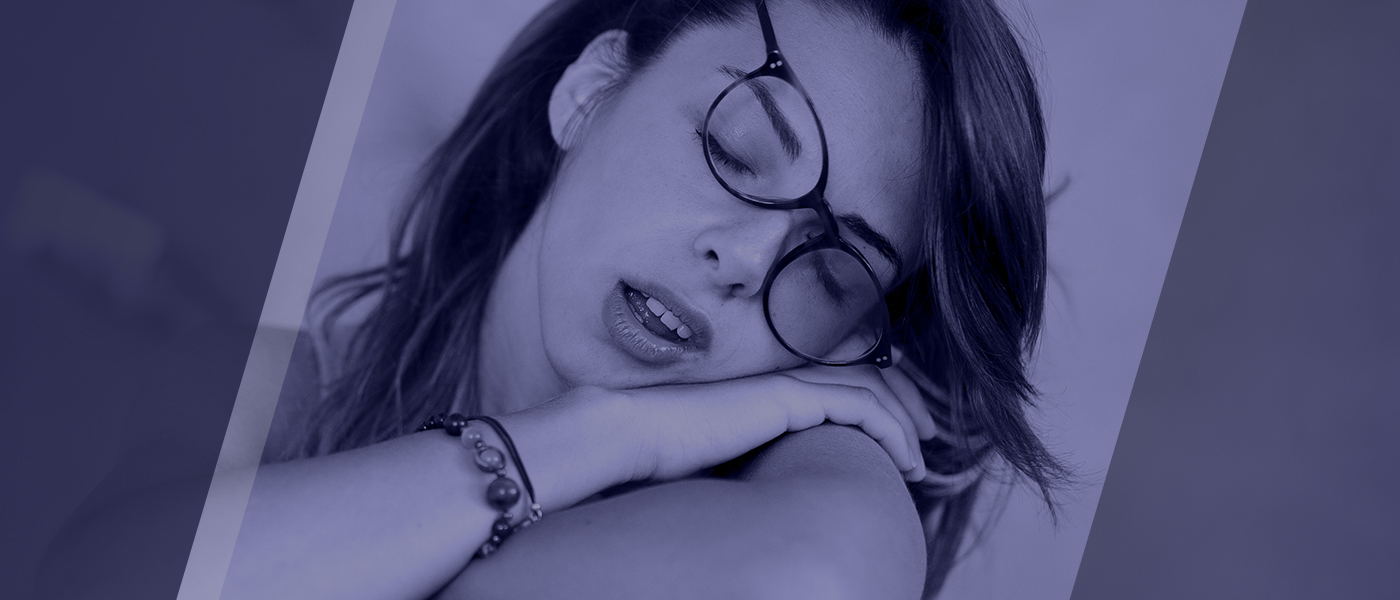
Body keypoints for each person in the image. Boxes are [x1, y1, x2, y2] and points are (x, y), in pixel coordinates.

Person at [232, 0, 1069, 598]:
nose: (747, 260)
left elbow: (819, 573)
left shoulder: (807, 488)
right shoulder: (259, 393)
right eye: (734, 151)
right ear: (590, 90)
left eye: (831, 270)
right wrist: (601, 435)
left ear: (851, 341)